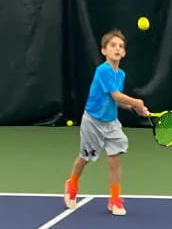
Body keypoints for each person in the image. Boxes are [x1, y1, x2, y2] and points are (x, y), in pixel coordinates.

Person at [64, 30, 149, 216]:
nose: (117, 49)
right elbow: (116, 95)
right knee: (85, 158)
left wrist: (134, 108)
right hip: (92, 122)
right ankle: (72, 184)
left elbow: (117, 101)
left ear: (124, 52)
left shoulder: (121, 74)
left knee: (115, 160)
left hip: (111, 124)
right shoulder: (103, 70)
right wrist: (137, 102)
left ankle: (115, 199)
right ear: (104, 51)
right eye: (113, 46)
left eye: (120, 46)